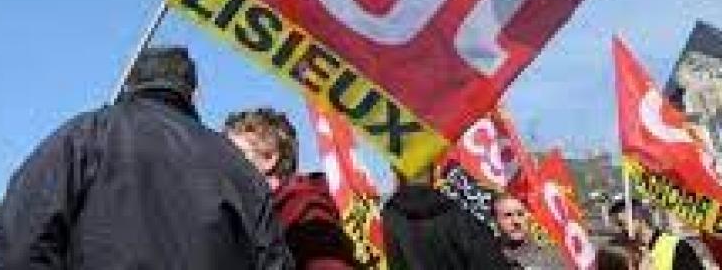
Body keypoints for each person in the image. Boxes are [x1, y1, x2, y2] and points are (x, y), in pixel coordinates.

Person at [0, 46, 294, 270]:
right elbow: (272, 259)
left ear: (130, 82)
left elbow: (20, 237)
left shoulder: (84, 136)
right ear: (193, 93)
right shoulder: (235, 165)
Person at [224, 107, 358, 269]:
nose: (224, 164)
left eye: (234, 154)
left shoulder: (304, 207)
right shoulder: (265, 210)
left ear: (269, 158)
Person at [381, 165, 512, 269]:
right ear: (435, 172)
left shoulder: (392, 218)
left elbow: (397, 264)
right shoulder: (460, 214)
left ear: (397, 174)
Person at [609, 198, 704, 270]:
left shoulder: (675, 246)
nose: (618, 230)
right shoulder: (623, 253)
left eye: (621, 224)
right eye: (616, 226)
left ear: (639, 218)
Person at [491, 193, 562, 269]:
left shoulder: (550, 255)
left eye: (520, 214)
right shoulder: (488, 256)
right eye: (508, 215)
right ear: (495, 221)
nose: (516, 221)